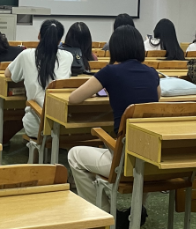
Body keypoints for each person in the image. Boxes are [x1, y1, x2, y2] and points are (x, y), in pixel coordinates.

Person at [68, 25, 160, 214]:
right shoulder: (152, 73)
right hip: (150, 156)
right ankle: (138, 211)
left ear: (115, 48)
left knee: (74, 155)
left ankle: (103, 212)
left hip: (124, 160)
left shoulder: (110, 72)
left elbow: (73, 98)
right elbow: (155, 101)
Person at [5, 20, 73, 137]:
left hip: (36, 125)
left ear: (39, 36)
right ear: (60, 40)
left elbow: (9, 74)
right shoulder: (68, 57)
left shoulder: (26, 55)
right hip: (62, 124)